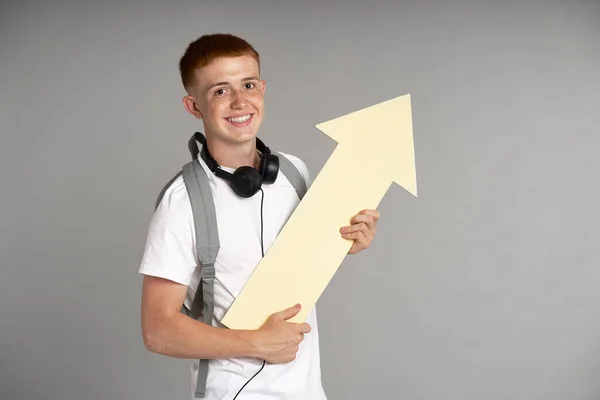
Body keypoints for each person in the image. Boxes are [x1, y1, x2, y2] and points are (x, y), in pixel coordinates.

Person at [138, 33, 380, 399]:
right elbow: (158, 329)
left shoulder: (294, 174)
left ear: (262, 88)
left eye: (248, 84)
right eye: (220, 91)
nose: (240, 101)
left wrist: (348, 241)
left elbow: (298, 265)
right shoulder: (183, 201)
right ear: (194, 106)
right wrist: (256, 343)